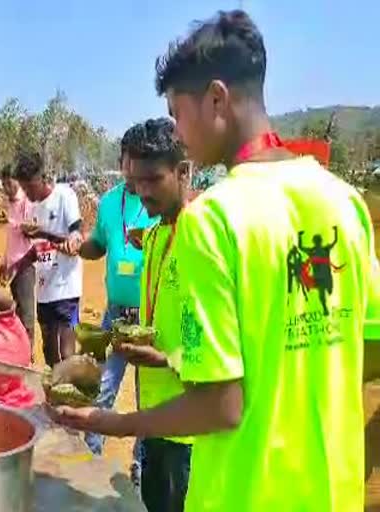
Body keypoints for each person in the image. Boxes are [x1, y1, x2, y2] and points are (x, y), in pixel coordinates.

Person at [49, 10, 380, 511]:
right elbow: (368, 349)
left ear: (217, 99)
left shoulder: (215, 218)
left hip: (244, 494)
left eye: (179, 114)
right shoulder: (344, 201)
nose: (180, 133)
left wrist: (112, 422)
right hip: (331, 492)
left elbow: (221, 406)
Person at [121, 118, 192, 512]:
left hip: (190, 427)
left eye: (152, 179)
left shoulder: (203, 237)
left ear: (184, 171)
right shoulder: (155, 235)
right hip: (153, 415)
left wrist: (165, 359)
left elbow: (230, 344)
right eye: (135, 182)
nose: (142, 191)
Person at [79, 123, 159, 457]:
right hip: (116, 313)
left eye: (141, 162)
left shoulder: (161, 201)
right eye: (129, 161)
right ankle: (91, 460)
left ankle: (140, 471)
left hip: (153, 316)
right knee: (103, 388)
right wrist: (78, 246)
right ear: (123, 160)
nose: (133, 169)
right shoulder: (110, 202)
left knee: (149, 399)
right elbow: (97, 245)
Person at [11, 150, 82, 366]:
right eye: (24, 188)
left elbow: (75, 242)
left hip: (66, 290)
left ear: (41, 178)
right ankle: (58, 398)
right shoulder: (31, 207)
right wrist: (15, 265)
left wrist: (42, 233)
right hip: (44, 291)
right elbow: (36, 250)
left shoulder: (64, 196)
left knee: (67, 353)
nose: (28, 193)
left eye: (30, 187)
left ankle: (71, 398)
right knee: (50, 353)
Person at [0, 164, 36, 348]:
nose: (7, 188)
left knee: (27, 313)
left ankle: (28, 353)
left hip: (25, 265)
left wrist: (10, 221)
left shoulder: (27, 201)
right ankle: (19, 351)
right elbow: (11, 239)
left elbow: (30, 230)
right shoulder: (10, 204)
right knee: (17, 312)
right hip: (13, 266)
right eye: (4, 185)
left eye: (9, 183)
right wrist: (4, 262)